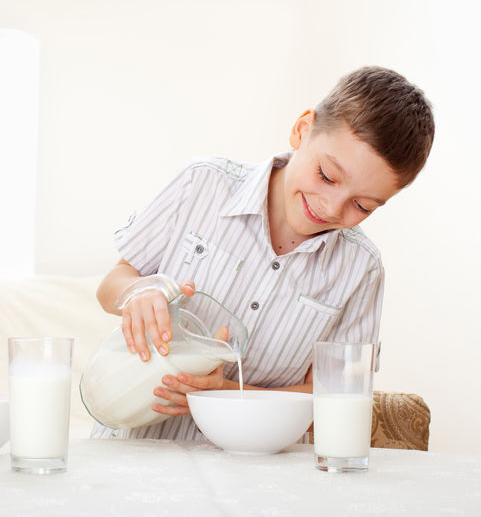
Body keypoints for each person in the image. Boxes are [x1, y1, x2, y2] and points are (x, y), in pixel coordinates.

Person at [92, 66, 435, 440]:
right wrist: (139, 292)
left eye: (363, 206)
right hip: (133, 450)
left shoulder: (360, 268)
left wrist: (229, 394)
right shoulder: (202, 183)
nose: (332, 209)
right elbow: (113, 283)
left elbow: (335, 400)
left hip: (256, 478)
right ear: (303, 129)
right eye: (326, 176)